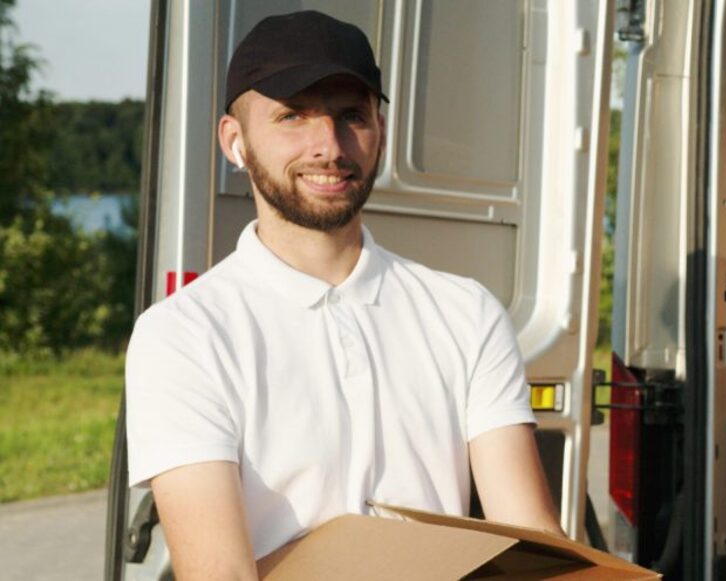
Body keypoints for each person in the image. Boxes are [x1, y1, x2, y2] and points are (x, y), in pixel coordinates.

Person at [124, 10, 561, 580]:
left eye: (350, 115)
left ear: (380, 130)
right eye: (291, 117)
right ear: (235, 141)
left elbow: (530, 540)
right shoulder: (183, 334)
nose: (328, 145)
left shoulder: (467, 312)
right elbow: (220, 575)